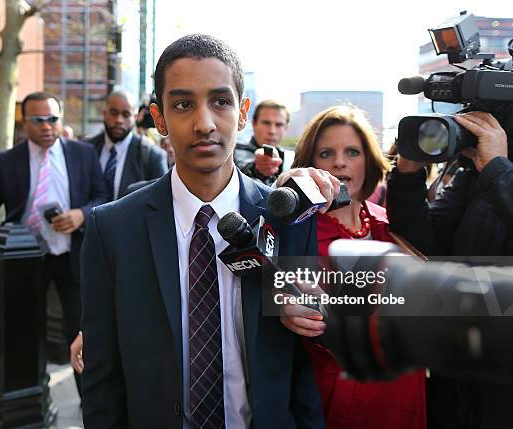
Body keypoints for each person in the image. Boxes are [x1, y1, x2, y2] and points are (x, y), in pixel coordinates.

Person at [80, 34, 344, 428]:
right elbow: (102, 381)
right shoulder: (112, 229)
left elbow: (303, 367)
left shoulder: (287, 218)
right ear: (159, 118)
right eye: (183, 104)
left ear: (242, 112)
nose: (204, 123)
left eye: (220, 102)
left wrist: (318, 317)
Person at [0, 91, 108, 395]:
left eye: (53, 119)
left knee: (79, 330)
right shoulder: (7, 161)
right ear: (24, 123)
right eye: (38, 120)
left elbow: (102, 197)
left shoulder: (83, 154)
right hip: (24, 260)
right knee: (25, 330)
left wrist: (81, 215)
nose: (47, 126)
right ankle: (30, 393)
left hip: (72, 256)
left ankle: (88, 399)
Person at [287, 105, 426, 429]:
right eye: (326, 153)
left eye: (352, 151)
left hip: (406, 397)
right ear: (310, 163)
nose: (340, 162)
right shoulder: (298, 233)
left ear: (368, 160)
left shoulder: (390, 223)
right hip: (340, 402)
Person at [386, 111, 512, 429]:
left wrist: (499, 172)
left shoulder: (496, 172)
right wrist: (409, 169)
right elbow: (425, 239)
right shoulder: (478, 173)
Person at [84, 90, 168, 199]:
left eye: (126, 114)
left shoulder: (152, 155)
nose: (119, 120)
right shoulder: (86, 149)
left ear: (135, 117)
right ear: (104, 114)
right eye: (113, 113)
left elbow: (162, 201)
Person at [234, 99, 290, 185]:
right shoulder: (236, 152)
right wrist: (258, 169)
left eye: (279, 125)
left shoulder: (290, 161)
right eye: (266, 123)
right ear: (254, 124)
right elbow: (243, 166)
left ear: (286, 127)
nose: (272, 131)